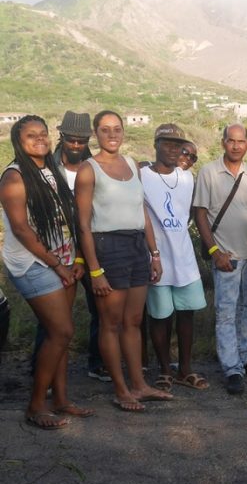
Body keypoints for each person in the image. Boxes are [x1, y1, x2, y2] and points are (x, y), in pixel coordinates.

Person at [75, 110, 173, 411]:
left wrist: (154, 253)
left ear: (124, 132)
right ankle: (121, 389)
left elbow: (141, 211)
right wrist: (95, 270)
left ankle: (139, 385)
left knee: (133, 321)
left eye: (117, 129)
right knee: (111, 323)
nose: (112, 134)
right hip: (108, 246)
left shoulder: (132, 164)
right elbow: (83, 224)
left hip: (135, 246)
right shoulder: (88, 170)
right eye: (105, 130)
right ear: (96, 133)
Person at [0, 115, 93, 428]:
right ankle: (36, 405)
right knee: (62, 331)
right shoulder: (14, 177)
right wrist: (58, 265)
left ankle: (62, 400)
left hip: (63, 259)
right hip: (33, 264)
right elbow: (22, 230)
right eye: (30, 135)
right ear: (18, 141)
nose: (39, 139)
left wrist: (75, 259)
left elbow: (66, 218)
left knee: (61, 334)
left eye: (42, 133)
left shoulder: (49, 170)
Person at [30, 111, 109, 382]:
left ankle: (98, 363)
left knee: (100, 307)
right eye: (71, 140)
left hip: (91, 249)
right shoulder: (47, 167)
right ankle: (42, 371)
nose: (76, 145)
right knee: (53, 317)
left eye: (81, 141)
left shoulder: (96, 166)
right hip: (59, 250)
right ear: (61, 137)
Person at [194, 124, 247, 395]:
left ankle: (244, 358)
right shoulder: (208, 172)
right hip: (226, 255)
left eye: (241, 141)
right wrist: (214, 252)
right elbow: (200, 214)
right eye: (231, 141)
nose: (236, 146)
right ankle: (231, 368)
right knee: (226, 312)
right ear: (223, 142)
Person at [142, 124, 208, 392]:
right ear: (155, 144)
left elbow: (188, 214)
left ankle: (185, 369)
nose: (172, 149)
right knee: (159, 317)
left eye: (177, 144)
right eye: (166, 143)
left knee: (186, 314)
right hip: (156, 258)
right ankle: (164, 369)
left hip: (184, 259)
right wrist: (153, 252)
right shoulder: (141, 174)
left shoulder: (186, 178)